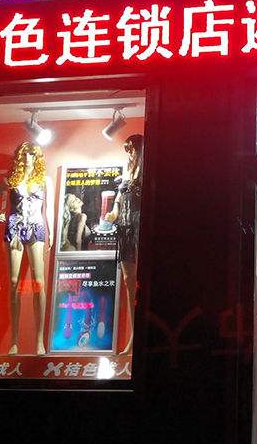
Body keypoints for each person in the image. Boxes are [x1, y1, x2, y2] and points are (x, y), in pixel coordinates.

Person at [0, 142, 52, 355]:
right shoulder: (10, 180)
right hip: (14, 228)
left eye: (32, 155)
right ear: (19, 157)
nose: (28, 159)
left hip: (36, 228)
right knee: (14, 282)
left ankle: (39, 340)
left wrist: (51, 233)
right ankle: (14, 340)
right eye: (25, 155)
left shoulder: (44, 180)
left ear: (37, 157)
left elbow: (47, 210)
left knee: (39, 282)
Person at [103, 133, 143, 355]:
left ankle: (141, 333)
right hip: (125, 227)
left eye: (132, 149)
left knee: (141, 279)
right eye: (127, 149)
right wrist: (112, 214)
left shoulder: (145, 171)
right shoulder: (127, 173)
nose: (129, 153)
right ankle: (133, 335)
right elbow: (118, 203)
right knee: (128, 279)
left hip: (140, 225)